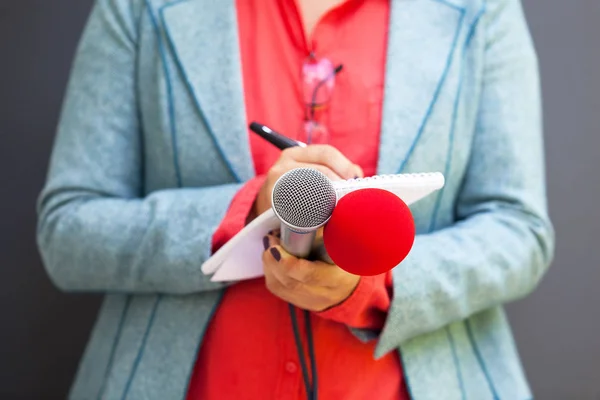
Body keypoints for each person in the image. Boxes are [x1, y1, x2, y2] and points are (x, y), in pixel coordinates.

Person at [36, 0, 555, 398]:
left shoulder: (480, 11)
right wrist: (252, 208)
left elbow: (517, 229)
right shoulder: (140, 9)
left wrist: (376, 282)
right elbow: (68, 232)